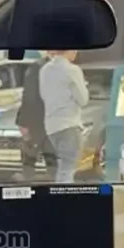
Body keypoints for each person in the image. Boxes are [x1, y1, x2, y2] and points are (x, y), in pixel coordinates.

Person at [39, 49, 89, 184]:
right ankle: (64, 195)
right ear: (69, 50)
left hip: (51, 126)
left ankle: (59, 193)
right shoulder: (72, 70)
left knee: (62, 168)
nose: (76, 53)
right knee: (68, 169)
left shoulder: (45, 70)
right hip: (69, 125)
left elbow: (44, 96)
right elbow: (83, 100)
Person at [14, 53, 57, 181]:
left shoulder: (39, 68)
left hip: (42, 120)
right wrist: (23, 122)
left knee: (34, 153)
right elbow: (29, 97)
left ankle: (31, 182)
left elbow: (28, 96)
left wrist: (22, 121)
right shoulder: (39, 69)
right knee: (44, 153)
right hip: (42, 120)